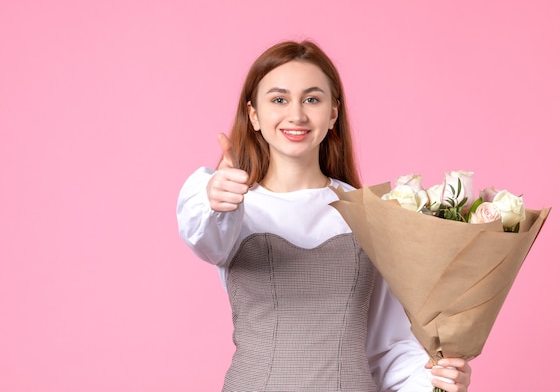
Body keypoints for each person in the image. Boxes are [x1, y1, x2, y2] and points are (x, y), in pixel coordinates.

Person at [176, 40, 472, 392]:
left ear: (333, 113)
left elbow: (388, 347)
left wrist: (435, 381)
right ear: (254, 114)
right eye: (279, 99)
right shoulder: (230, 208)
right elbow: (204, 237)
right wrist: (213, 198)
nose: (297, 115)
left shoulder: (371, 213)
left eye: (312, 99)